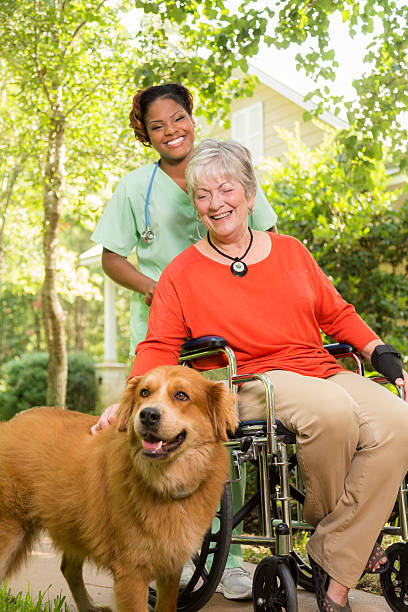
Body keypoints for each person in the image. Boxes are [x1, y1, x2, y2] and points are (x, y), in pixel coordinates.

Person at [98, 138, 408, 612]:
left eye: (226, 190)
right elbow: (159, 345)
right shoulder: (181, 273)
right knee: (332, 413)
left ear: (249, 193)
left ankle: (336, 558)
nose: (215, 204)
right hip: (247, 381)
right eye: (202, 195)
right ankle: (344, 556)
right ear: (195, 206)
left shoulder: (291, 252)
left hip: (317, 368)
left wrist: (381, 353)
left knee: (397, 420)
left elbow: (337, 313)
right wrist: (128, 403)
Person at [91, 84, 278, 600]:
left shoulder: (222, 174)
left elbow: (265, 238)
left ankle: (232, 555)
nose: (171, 131)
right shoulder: (135, 188)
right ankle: (148, 545)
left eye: (179, 119)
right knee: (149, 441)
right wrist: (153, 287)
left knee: (223, 436)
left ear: (192, 119)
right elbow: (112, 256)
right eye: (158, 125)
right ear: (145, 133)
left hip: (225, 332)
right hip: (165, 333)